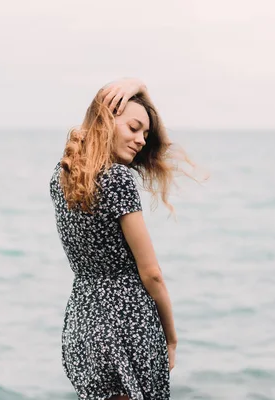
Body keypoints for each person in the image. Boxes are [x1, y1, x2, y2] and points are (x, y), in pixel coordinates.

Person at [49, 77, 197, 400]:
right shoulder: (118, 180)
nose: (142, 140)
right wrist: (171, 337)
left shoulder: (61, 178)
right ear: (106, 122)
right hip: (126, 327)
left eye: (145, 133)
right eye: (133, 128)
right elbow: (152, 273)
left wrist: (139, 87)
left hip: (83, 323)